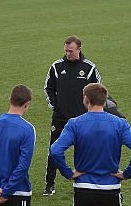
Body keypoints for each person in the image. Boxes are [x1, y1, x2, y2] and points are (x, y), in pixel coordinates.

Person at [43, 36, 101, 196]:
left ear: (79, 49)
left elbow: (98, 91)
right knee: (54, 149)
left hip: (82, 119)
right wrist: (55, 106)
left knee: (85, 150)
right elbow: (48, 88)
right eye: (66, 50)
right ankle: (49, 183)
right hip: (60, 117)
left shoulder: (89, 68)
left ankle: (86, 180)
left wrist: (90, 111)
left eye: (71, 51)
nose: (67, 53)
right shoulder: (56, 67)